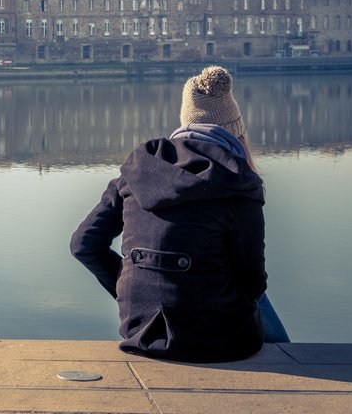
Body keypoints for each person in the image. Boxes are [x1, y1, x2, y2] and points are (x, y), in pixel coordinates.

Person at [70, 65, 288, 362]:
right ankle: (290, 357)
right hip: (222, 340)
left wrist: (127, 285)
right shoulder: (239, 182)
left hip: (143, 331)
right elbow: (251, 283)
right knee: (260, 297)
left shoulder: (137, 169)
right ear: (236, 132)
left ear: (183, 123)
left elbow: (83, 245)